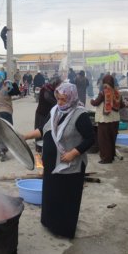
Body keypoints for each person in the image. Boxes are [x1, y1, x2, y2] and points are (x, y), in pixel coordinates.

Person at [23, 83, 94, 239]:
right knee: (51, 195)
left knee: (66, 198)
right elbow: (43, 129)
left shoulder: (80, 114)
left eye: (63, 99)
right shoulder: (55, 110)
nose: (60, 102)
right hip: (51, 164)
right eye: (58, 99)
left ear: (71, 98)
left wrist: (73, 153)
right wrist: (25, 136)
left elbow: (90, 138)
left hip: (70, 167)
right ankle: (49, 224)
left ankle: (63, 229)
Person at [0, 71, 20, 161]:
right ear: (3, 78)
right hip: (6, 113)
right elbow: (17, 92)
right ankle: (11, 149)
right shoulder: (7, 87)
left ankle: (1, 151)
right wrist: (12, 83)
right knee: (8, 131)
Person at [90, 74, 122, 164]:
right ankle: (111, 156)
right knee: (112, 139)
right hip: (115, 120)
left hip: (105, 120)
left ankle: (106, 158)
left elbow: (95, 103)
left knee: (104, 140)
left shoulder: (104, 92)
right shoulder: (117, 93)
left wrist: (91, 101)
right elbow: (122, 105)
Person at [34, 76, 62, 152]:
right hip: (42, 113)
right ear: (55, 84)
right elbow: (49, 99)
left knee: (47, 130)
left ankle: (45, 146)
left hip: (48, 113)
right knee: (40, 130)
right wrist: (59, 103)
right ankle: (38, 148)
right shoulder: (46, 89)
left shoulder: (53, 89)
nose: (60, 87)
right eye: (59, 85)